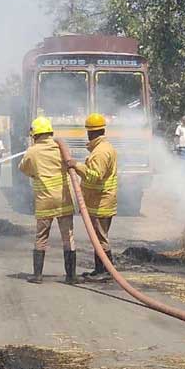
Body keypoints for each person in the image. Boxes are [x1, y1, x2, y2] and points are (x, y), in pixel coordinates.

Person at [18, 117, 77, 284]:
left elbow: (23, 168)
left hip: (44, 201)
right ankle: (71, 276)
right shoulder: (60, 148)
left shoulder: (32, 151)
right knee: (68, 237)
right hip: (64, 200)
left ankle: (37, 275)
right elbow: (68, 164)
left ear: (34, 135)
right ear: (50, 132)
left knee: (41, 237)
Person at [67, 113, 117, 280]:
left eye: (88, 131)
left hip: (101, 201)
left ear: (92, 132)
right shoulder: (102, 148)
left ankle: (105, 271)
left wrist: (76, 165)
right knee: (98, 237)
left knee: (100, 238)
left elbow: (94, 175)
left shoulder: (100, 152)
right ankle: (100, 270)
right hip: (100, 200)